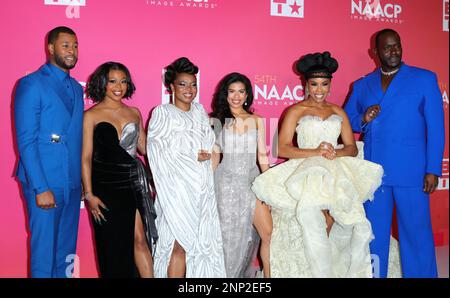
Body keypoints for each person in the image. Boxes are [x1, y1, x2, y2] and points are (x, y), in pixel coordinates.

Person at [251, 52, 384, 277]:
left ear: (330, 85)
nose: (319, 89)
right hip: (305, 171)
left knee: (338, 223)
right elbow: (281, 148)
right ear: (306, 85)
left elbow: (351, 148)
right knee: (310, 224)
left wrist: (335, 152)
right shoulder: (296, 111)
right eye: (314, 84)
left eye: (324, 84)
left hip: (335, 171)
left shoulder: (337, 111)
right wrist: (316, 152)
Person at [344, 29, 445, 278]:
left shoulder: (424, 79)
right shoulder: (361, 85)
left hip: (412, 172)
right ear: (375, 52)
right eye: (387, 47)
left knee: (416, 233)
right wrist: (363, 118)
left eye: (397, 45)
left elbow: (436, 128)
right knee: (373, 234)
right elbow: (345, 121)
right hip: (374, 172)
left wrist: (433, 168)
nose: (393, 51)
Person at [13, 26, 83, 278]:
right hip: (44, 182)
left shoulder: (76, 88)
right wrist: (40, 187)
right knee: (44, 253)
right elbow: (26, 141)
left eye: (75, 45)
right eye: (65, 45)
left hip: (72, 184)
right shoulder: (31, 84)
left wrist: (81, 183)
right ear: (51, 48)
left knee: (66, 253)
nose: (72, 51)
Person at [147, 57, 226, 278]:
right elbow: (157, 152)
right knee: (176, 244)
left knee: (200, 247)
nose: (189, 89)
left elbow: (210, 146)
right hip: (175, 192)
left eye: (193, 84)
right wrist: (193, 157)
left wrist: (207, 164)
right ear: (171, 87)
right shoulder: (162, 113)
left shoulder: (200, 111)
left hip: (201, 190)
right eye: (183, 84)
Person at [82, 62, 157, 278]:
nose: (119, 86)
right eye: (113, 81)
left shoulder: (134, 112)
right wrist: (89, 194)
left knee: (140, 240)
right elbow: (85, 157)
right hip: (105, 188)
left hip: (133, 185)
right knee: (112, 247)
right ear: (103, 83)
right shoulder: (91, 116)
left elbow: (145, 148)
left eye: (123, 81)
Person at [210, 72, 272, 278]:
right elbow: (215, 156)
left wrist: (269, 188)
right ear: (225, 94)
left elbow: (262, 155)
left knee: (268, 233)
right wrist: (208, 187)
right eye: (232, 91)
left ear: (247, 95)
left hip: (252, 181)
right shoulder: (216, 120)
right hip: (226, 184)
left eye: (241, 91)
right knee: (229, 240)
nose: (236, 96)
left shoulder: (257, 120)